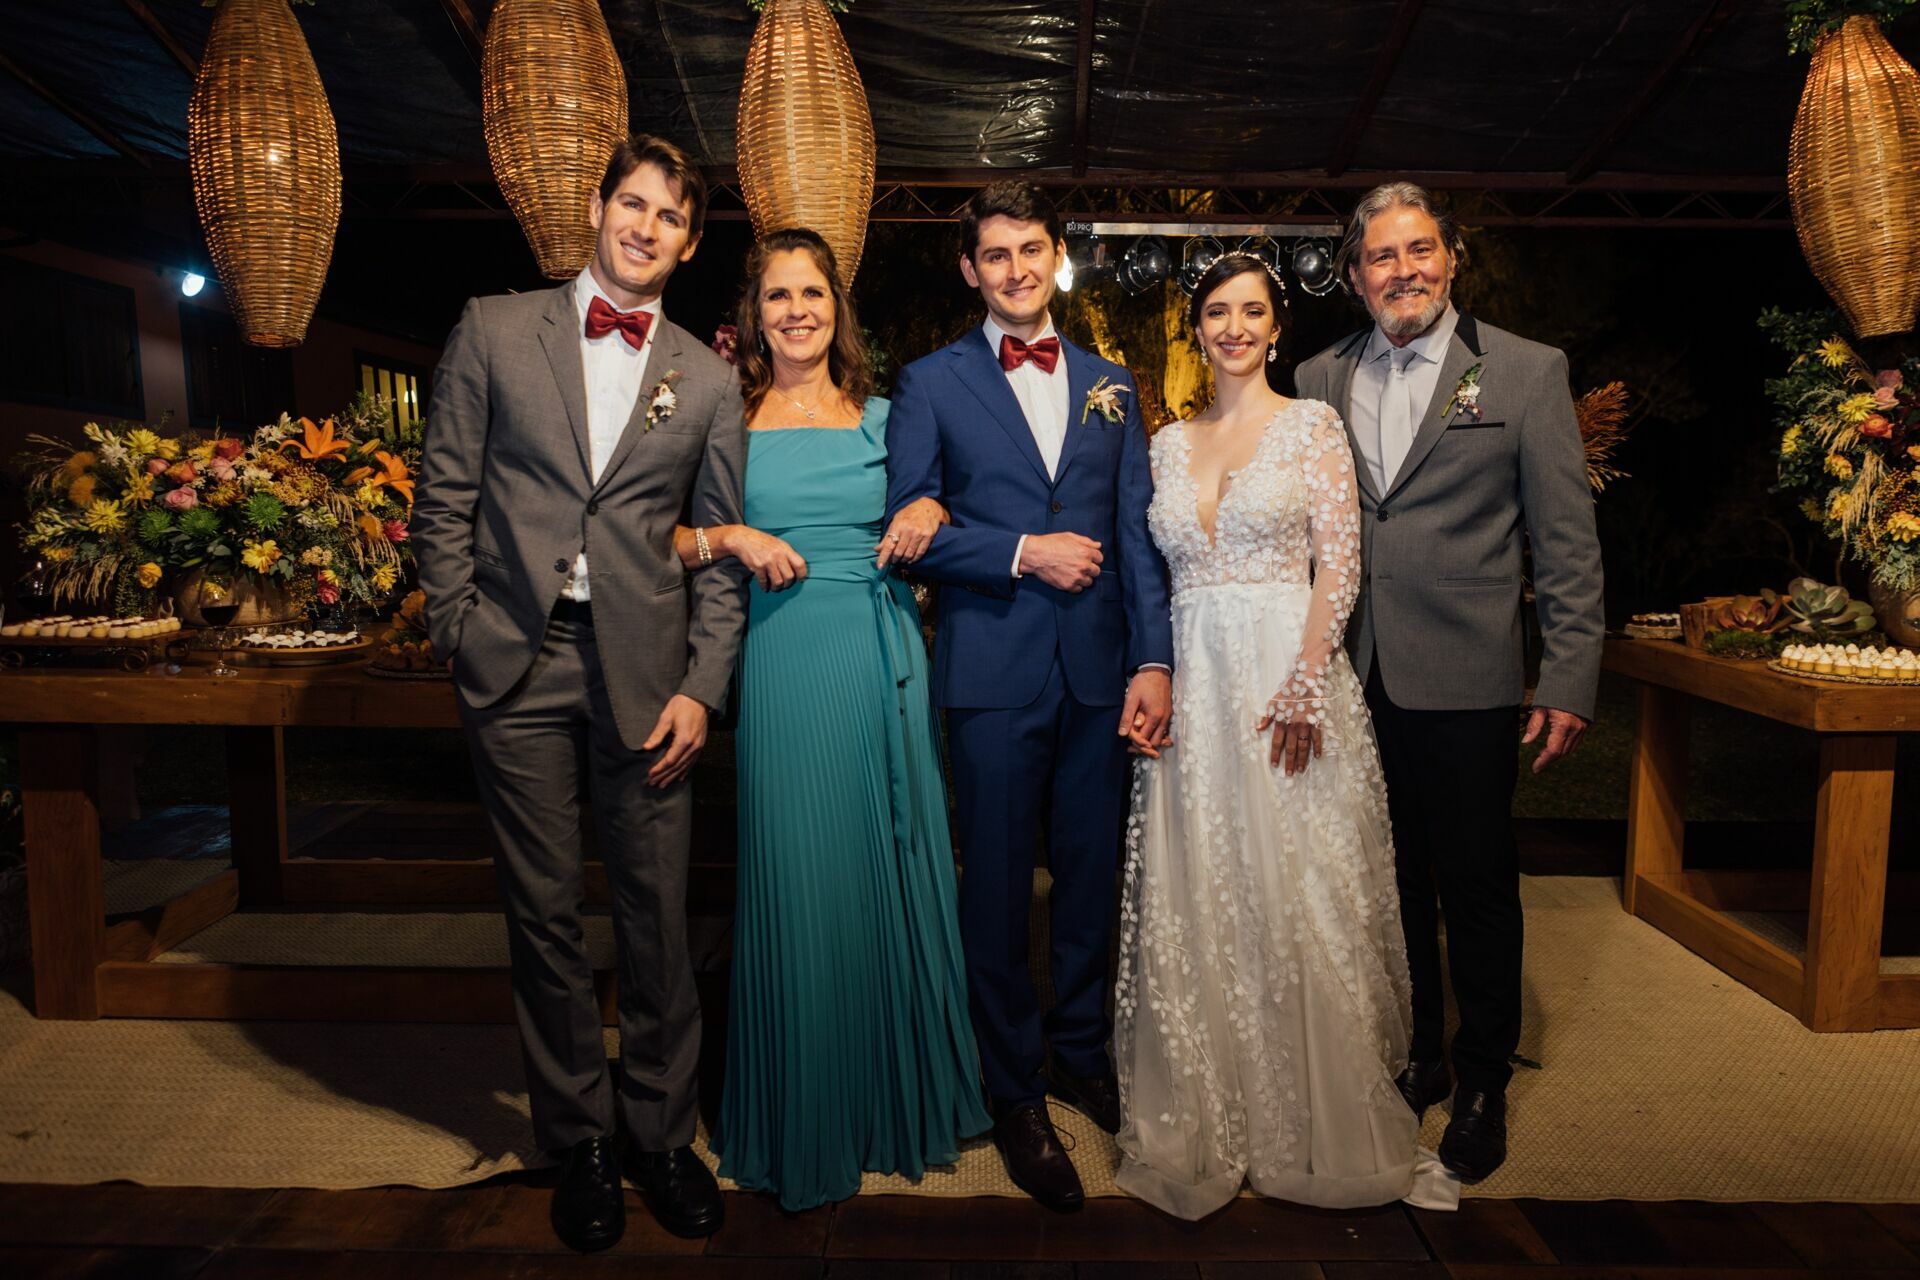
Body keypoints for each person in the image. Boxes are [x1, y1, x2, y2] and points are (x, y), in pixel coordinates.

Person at [413, 134, 746, 1252]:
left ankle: (660, 1133)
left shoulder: (707, 376)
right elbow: (444, 495)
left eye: (669, 217)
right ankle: (582, 1139)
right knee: (544, 913)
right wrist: (459, 630)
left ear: (689, 243)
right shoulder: (497, 328)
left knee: (654, 912)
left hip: (649, 677)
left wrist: (704, 687)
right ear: (598, 207)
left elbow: (723, 550)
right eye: (632, 203)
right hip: (515, 663)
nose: (645, 227)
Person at [1112, 253, 1450, 1218]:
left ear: (1275, 326)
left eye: (1250, 311)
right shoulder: (1168, 445)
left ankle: (1313, 1114)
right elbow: (1156, 573)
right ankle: (1214, 1108)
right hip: (1195, 689)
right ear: (1198, 326)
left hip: (1283, 683)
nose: (1233, 327)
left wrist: (1305, 685)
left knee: (1295, 886)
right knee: (1204, 889)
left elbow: (1338, 566)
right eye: (1216, 311)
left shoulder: (1312, 427)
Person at [672, 227, 989, 1211]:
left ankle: (879, 1098)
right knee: (794, 872)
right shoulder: (720, 413)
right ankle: (801, 1107)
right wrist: (730, 533)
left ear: (836, 309)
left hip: (878, 648)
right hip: (779, 659)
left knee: (878, 871)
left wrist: (932, 507)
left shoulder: (887, 417)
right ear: (753, 313)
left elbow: (950, 505)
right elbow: (659, 532)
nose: (798, 310)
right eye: (779, 295)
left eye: (813, 293)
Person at [1293, 182, 1605, 1183]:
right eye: (1380, 256)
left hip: (1468, 675)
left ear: (1453, 257)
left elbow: (1565, 540)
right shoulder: (1315, 377)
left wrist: (1568, 673)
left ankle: (1481, 1077)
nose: (1403, 270)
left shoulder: (1522, 370)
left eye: (1420, 249)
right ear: (1354, 276)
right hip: (1354, 671)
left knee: (1473, 883)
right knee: (1387, 882)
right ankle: (1420, 1047)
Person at [884, 181, 1175, 1212]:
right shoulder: (928, 383)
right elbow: (906, 528)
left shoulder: (1111, 381)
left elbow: (1135, 530)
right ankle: (1011, 1089)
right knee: (1000, 889)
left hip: (1101, 672)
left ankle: (1081, 1051)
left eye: (1030, 248)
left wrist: (1155, 661)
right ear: (970, 269)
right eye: (993, 253)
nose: (1013, 268)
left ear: (1056, 257)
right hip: (994, 675)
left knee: (1091, 878)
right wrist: (1021, 551)